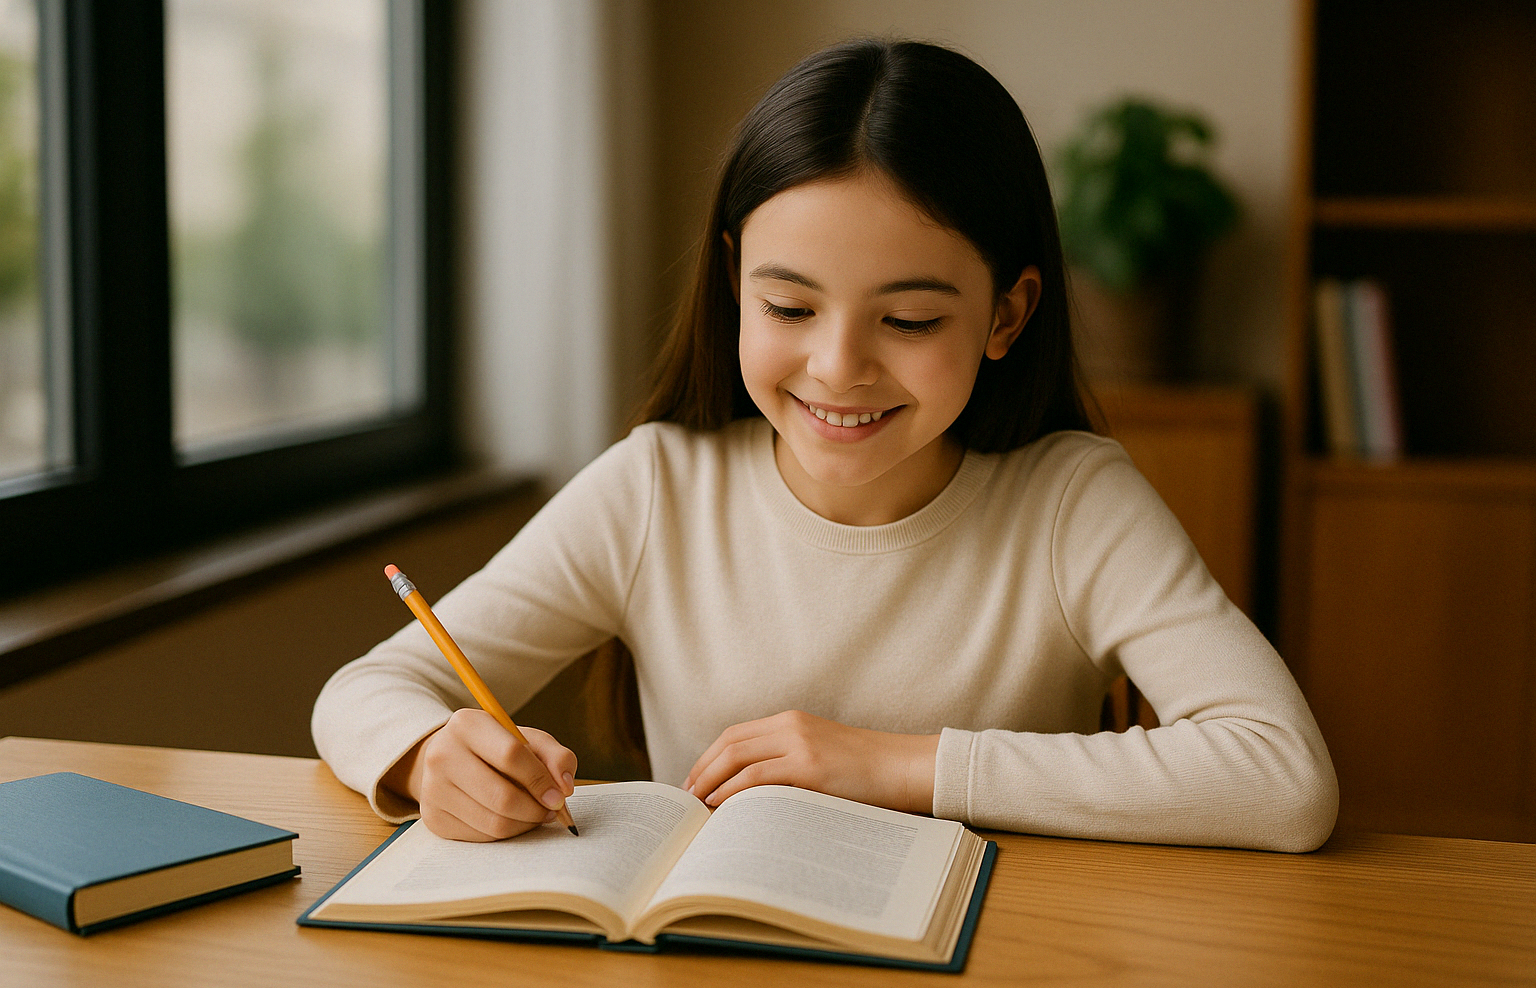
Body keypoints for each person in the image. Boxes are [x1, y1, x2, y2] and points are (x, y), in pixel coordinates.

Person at [312, 38, 1337, 853]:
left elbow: (1282, 777)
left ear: (1007, 315)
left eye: (910, 321)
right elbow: (363, 691)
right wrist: (425, 752)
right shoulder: (657, 489)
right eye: (790, 305)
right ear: (734, 283)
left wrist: (897, 766)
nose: (838, 368)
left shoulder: (1071, 504)